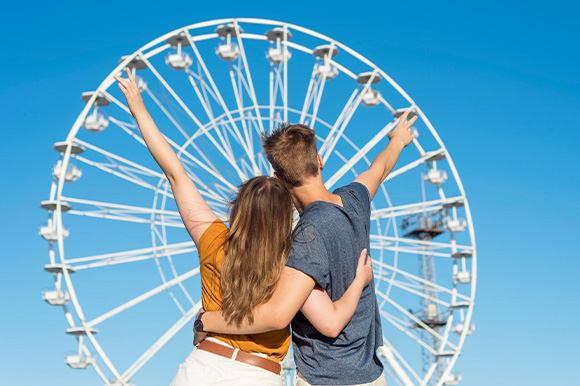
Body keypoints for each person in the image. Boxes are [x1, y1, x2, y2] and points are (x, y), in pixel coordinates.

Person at [114, 69, 374, 386]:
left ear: (238, 207)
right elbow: (331, 322)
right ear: (285, 218)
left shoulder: (212, 239)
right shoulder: (293, 262)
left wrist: (139, 109)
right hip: (257, 374)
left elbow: (175, 173)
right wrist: (359, 281)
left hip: (201, 368)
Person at [197, 111, 416, 385]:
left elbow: (282, 315)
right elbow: (379, 169)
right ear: (320, 161)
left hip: (325, 376)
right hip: (371, 374)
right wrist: (398, 140)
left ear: (278, 178)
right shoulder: (354, 200)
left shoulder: (304, 239)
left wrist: (206, 321)